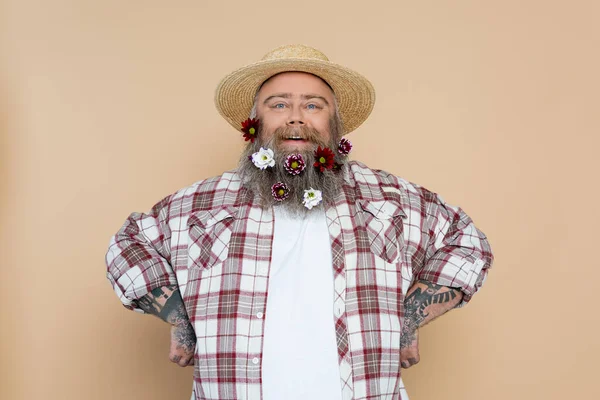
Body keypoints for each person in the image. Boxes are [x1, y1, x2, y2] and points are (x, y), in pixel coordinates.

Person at [105, 44, 494, 400]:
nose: (295, 117)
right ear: (254, 122)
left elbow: (467, 242)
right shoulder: (202, 203)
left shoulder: (391, 198)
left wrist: (408, 317)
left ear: (334, 123)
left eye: (312, 105)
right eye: (278, 105)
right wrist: (181, 317)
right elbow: (128, 245)